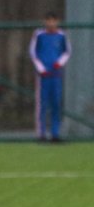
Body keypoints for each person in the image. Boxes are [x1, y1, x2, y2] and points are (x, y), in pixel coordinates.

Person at [29, 11, 71, 142]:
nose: (51, 23)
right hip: (43, 76)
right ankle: (41, 134)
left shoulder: (62, 35)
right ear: (45, 21)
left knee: (56, 104)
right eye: (49, 20)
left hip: (56, 75)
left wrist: (60, 63)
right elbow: (32, 52)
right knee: (42, 104)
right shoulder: (39, 35)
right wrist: (41, 68)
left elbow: (68, 51)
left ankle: (55, 134)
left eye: (54, 20)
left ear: (57, 21)